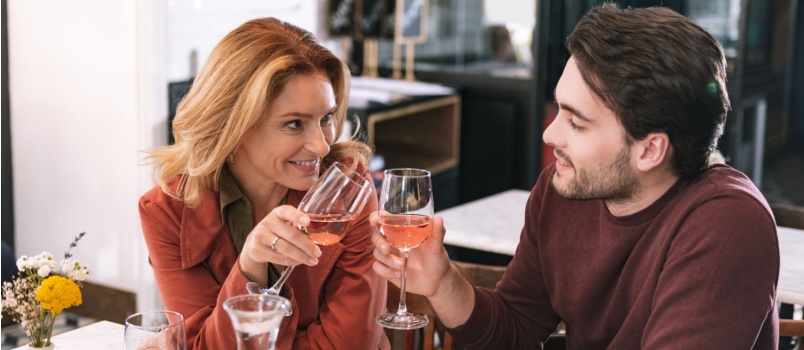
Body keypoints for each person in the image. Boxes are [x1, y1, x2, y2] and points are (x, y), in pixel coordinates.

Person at [371, 4, 779, 349]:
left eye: (577, 123)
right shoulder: (562, 189)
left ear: (650, 149)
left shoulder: (726, 225)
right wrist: (442, 283)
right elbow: (516, 328)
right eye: (559, 108)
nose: (551, 134)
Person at [139, 17, 389, 349]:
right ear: (233, 126)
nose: (322, 145)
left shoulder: (348, 187)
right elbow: (201, 345)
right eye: (295, 124)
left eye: (326, 118)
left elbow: (351, 345)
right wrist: (251, 269)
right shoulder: (167, 211)